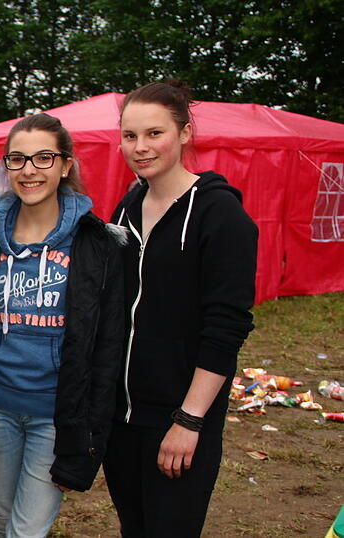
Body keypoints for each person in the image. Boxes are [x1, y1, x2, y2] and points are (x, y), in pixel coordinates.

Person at [104, 80, 257, 537]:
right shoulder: (129, 207)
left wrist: (189, 421)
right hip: (122, 420)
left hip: (179, 420)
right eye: (130, 136)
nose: (140, 147)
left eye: (155, 133)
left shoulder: (220, 214)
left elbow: (226, 328)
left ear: (185, 133)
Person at [0, 113, 125, 537]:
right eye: (18, 159)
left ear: (65, 165)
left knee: (25, 532)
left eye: (44, 158)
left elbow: (108, 345)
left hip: (55, 415)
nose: (29, 170)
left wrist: (88, 438)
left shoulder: (97, 243)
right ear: (6, 167)